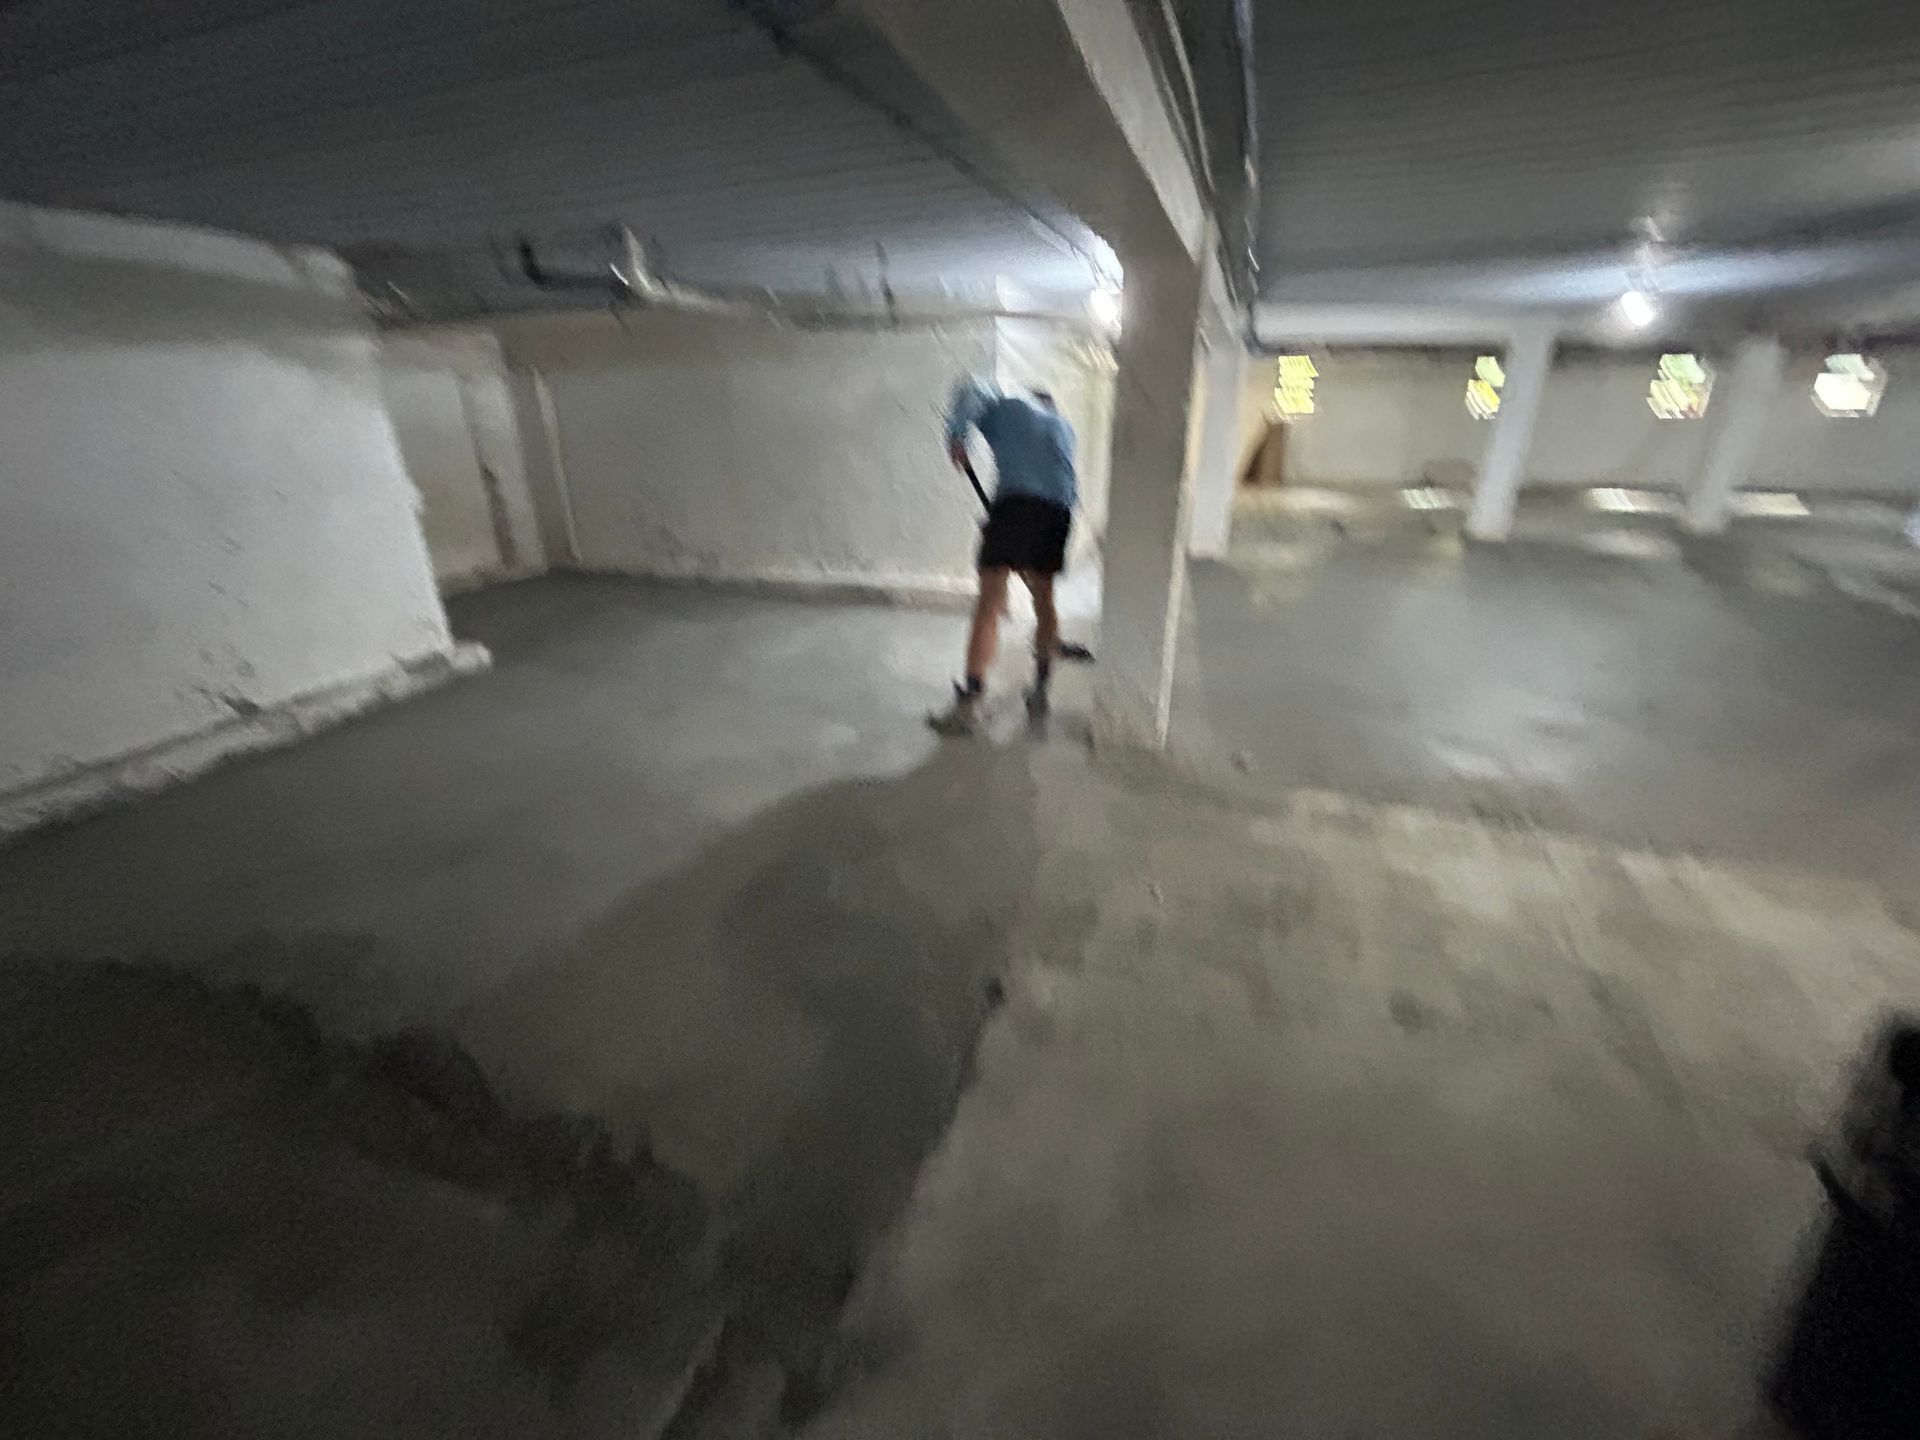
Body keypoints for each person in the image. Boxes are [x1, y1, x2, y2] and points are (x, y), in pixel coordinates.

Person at [929, 376, 1084, 735]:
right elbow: (1049, 478)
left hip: (1017, 505)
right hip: (1059, 511)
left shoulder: (1007, 402)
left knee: (990, 600)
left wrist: (956, 435)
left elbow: (973, 391)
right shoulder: (1064, 428)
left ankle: (971, 701)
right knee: (1044, 597)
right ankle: (1041, 689)